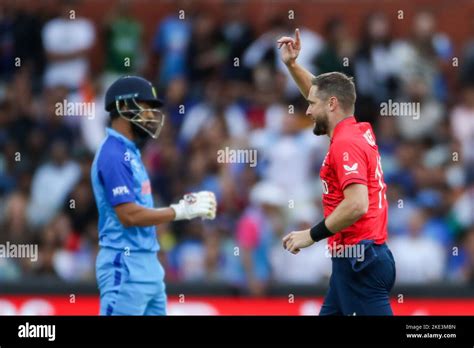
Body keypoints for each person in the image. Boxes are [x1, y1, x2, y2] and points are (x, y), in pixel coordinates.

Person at [278, 29, 396, 315]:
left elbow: (356, 204)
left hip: (360, 261)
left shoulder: (345, 144)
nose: (307, 112)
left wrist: (311, 235)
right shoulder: (356, 129)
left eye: (311, 105)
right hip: (356, 259)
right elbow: (318, 94)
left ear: (331, 105)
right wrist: (292, 65)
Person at [91, 76, 217, 315]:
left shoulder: (130, 152)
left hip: (148, 264)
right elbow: (128, 215)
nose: (151, 116)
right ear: (124, 107)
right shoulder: (113, 154)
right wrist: (180, 211)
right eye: (146, 108)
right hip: (125, 266)